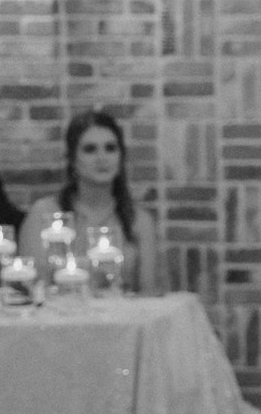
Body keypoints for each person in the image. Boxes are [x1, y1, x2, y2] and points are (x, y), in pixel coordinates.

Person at [19, 107, 158, 293]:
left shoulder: (139, 220)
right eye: (90, 149)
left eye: (110, 148)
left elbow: (148, 295)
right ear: (73, 159)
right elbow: (33, 288)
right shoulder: (44, 214)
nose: (102, 158)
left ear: (121, 157)